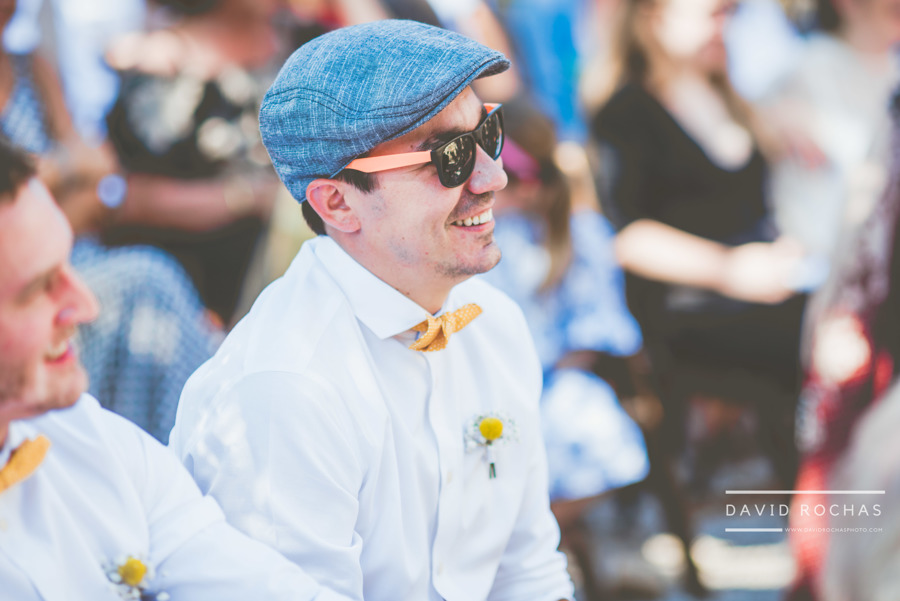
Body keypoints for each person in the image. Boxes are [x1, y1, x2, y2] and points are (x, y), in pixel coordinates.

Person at [169, 19, 575, 601]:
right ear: (337, 202)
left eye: (488, 132)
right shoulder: (286, 389)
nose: (494, 174)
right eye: (450, 156)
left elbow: (528, 570)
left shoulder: (494, 321)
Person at [0, 138, 350, 601]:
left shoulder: (95, 443)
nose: (83, 306)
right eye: (37, 289)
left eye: (70, 263)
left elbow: (255, 583)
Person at [588, 0, 808, 488]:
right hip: (690, 308)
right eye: (712, 13)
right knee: (812, 339)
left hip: (765, 291)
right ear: (653, 18)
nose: (724, 25)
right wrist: (731, 269)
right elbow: (626, 236)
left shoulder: (728, 94)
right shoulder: (624, 113)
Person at [0, 0, 220, 443]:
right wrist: (63, 173)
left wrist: (48, 180)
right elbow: (82, 173)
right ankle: (189, 444)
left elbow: (100, 175)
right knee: (148, 279)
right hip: (19, 276)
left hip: (68, 252)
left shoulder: (30, 67)